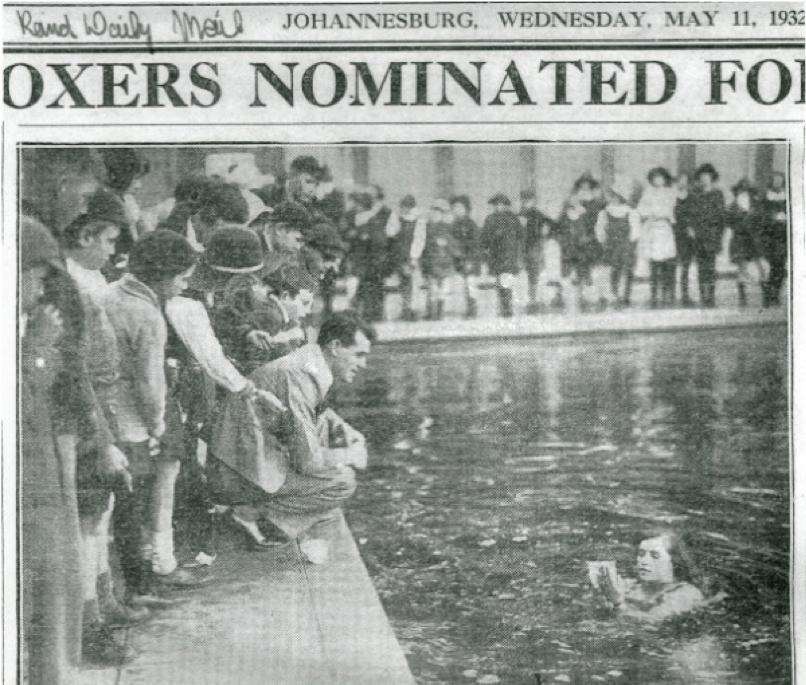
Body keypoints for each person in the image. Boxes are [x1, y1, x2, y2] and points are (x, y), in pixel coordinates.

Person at [211, 312, 375, 558]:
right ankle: (249, 516)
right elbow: (306, 461)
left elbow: (319, 415)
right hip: (234, 474)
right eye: (359, 354)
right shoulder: (299, 377)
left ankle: (265, 511)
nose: (363, 364)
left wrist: (346, 433)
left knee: (330, 442)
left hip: (237, 458)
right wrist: (348, 454)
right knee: (343, 482)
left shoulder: (306, 362)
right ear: (336, 347)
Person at [60, 214, 149, 664]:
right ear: (83, 235)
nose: (115, 251)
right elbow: (78, 370)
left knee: (101, 515)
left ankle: (104, 596)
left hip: (102, 403)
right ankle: (89, 619)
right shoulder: (68, 284)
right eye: (109, 240)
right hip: (87, 410)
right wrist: (103, 435)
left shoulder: (91, 277)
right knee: (88, 521)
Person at [102, 231, 208, 600]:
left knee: (119, 506)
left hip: (107, 413)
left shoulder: (109, 292)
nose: (185, 284)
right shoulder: (147, 314)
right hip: (136, 419)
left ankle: (138, 579)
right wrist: (158, 426)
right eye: (182, 277)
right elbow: (150, 383)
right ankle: (148, 579)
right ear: (162, 275)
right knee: (147, 493)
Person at [20, 217, 85, 684]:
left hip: (38, 489)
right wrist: (38, 350)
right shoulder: (27, 336)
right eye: (36, 279)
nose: (41, 293)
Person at [594, 530, 708, 622]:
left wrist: (616, 602)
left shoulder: (686, 593)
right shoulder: (632, 587)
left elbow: (654, 622)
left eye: (655, 555)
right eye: (641, 554)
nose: (644, 561)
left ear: (673, 561)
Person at [556, 174, 605, 311]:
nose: (585, 187)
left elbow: (598, 220)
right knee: (570, 270)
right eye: (582, 184)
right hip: (572, 242)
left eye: (587, 184)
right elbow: (560, 224)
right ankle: (568, 296)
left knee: (589, 269)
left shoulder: (596, 202)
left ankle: (594, 296)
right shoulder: (569, 207)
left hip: (589, 239)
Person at [595, 176, 640, 308]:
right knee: (614, 270)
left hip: (626, 245)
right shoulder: (605, 212)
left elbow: (635, 230)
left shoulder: (630, 212)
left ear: (621, 197)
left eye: (616, 196)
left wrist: (630, 243)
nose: (613, 198)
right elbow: (600, 228)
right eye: (612, 195)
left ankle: (626, 296)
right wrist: (603, 240)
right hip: (612, 245)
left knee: (627, 270)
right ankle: (614, 295)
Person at [350, 187, 393, 322]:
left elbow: (390, 234)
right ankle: (367, 314)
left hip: (379, 254)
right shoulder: (363, 214)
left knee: (377, 284)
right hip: (365, 255)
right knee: (366, 284)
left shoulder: (386, 212)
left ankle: (376, 314)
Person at [637, 167, 678, 308]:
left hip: (664, 229)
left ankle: (666, 294)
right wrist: (650, 214)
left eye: (660, 177)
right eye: (655, 177)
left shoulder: (670, 192)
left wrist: (659, 213)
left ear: (665, 178)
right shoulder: (647, 193)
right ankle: (654, 295)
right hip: (652, 230)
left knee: (667, 263)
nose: (657, 180)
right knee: (654, 264)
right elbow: (641, 210)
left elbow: (670, 210)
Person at [689, 164, 726, 308]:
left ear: (712, 178)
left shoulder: (718, 194)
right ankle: (703, 296)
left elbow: (721, 217)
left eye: (707, 176)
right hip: (698, 235)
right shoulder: (695, 194)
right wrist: (692, 228)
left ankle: (711, 296)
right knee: (701, 267)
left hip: (712, 235)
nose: (705, 179)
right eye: (702, 176)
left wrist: (719, 237)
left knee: (711, 267)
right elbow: (691, 214)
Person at [726, 179, 766, 307]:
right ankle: (742, 298)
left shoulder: (756, 204)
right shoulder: (733, 206)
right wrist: (740, 226)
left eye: (746, 190)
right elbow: (729, 222)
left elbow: (761, 220)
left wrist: (756, 231)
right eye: (741, 190)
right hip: (739, 239)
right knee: (742, 268)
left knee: (761, 267)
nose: (743, 192)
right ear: (737, 191)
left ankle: (766, 295)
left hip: (753, 239)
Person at [482, 193, 522, 318]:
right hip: (495, 256)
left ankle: (507, 309)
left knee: (506, 282)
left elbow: (520, 235)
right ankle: (503, 307)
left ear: (506, 205)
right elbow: (484, 238)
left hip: (508, 255)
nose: (498, 207)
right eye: (496, 205)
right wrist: (485, 251)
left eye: (501, 204)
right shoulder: (490, 219)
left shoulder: (512, 219)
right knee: (499, 282)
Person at [388, 194, 427, 321]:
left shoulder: (418, 220)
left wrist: (414, 257)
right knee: (403, 284)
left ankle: (413, 310)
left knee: (414, 284)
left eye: (406, 207)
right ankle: (405, 309)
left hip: (412, 256)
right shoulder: (398, 219)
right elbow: (390, 232)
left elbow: (419, 239)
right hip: (400, 255)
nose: (404, 209)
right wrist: (395, 218)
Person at [421, 198, 461, 321]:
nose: (436, 214)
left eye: (439, 212)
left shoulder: (448, 228)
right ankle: (433, 312)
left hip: (445, 262)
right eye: (434, 211)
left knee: (444, 289)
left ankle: (440, 312)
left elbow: (454, 245)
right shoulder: (427, 227)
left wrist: (449, 246)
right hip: (432, 262)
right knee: (433, 288)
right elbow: (423, 244)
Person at [518, 190, 553, 314]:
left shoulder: (538, 214)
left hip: (536, 246)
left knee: (537, 273)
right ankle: (530, 300)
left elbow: (548, 226)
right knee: (526, 275)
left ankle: (538, 299)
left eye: (529, 200)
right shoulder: (520, 215)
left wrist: (544, 231)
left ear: (534, 201)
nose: (527, 203)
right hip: (523, 248)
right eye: (525, 200)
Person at [451, 195, 482, 319]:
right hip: (461, 260)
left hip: (470, 259)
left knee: (471, 284)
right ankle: (469, 308)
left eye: (459, 207)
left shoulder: (470, 224)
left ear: (466, 209)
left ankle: (472, 310)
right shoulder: (454, 224)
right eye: (455, 207)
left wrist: (469, 259)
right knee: (465, 285)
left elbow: (474, 244)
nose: (456, 210)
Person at [760, 171, 787, 307]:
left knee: (780, 268)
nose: (777, 182)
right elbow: (761, 216)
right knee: (768, 268)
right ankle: (767, 295)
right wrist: (773, 217)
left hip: (782, 238)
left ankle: (775, 295)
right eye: (775, 180)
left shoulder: (787, 197)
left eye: (780, 180)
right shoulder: (766, 197)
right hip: (769, 238)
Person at [674, 173, 698, 307]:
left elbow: (695, 214)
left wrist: (691, 227)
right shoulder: (672, 197)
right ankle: (670, 294)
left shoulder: (692, 197)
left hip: (687, 236)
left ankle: (685, 295)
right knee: (671, 266)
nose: (682, 183)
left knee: (686, 266)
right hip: (674, 234)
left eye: (685, 181)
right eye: (680, 180)